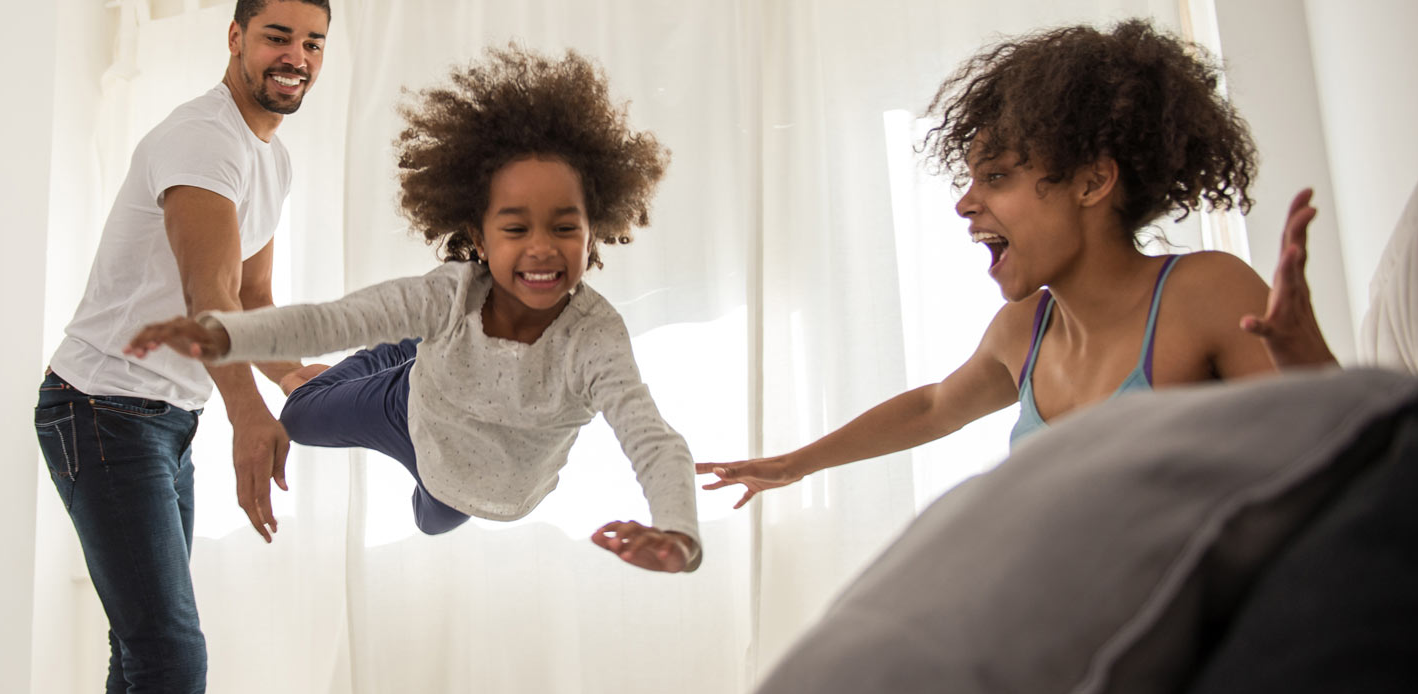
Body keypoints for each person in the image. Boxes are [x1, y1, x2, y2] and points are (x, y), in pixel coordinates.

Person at [697, 19, 1337, 508]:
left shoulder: (1206, 292)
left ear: (1092, 182)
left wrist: (1309, 361)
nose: (964, 204)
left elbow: (1347, 463)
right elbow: (932, 408)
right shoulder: (1024, 332)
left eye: (997, 176)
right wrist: (795, 465)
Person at [125, 46, 702, 574]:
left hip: (484, 486)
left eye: (564, 227)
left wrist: (677, 530)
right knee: (298, 417)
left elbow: (651, 437)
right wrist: (223, 334)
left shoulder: (594, 337)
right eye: (516, 227)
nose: (541, 248)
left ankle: (413, 350)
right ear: (478, 234)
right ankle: (411, 353)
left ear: (592, 232)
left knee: (434, 518)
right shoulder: (453, 294)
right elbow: (334, 320)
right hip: (414, 409)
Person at [32, 0, 330, 694]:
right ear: (236, 39)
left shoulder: (273, 158)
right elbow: (209, 296)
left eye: (314, 43)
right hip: (102, 407)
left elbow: (252, 295)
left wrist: (295, 376)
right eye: (278, 37)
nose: (297, 56)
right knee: (171, 655)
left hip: (166, 419)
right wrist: (250, 416)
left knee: (142, 649)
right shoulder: (203, 138)